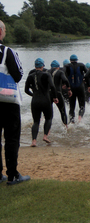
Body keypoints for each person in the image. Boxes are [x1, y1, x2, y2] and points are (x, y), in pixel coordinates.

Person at [0, 20, 29, 185]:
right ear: (0, 32)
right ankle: (12, 175)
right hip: (7, 100)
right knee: (11, 137)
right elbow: (18, 75)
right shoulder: (7, 52)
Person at [24, 58, 59, 146]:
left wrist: (34, 95)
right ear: (43, 66)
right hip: (46, 100)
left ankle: (34, 141)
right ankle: (45, 136)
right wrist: (55, 97)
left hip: (35, 101)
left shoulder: (30, 76)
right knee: (48, 118)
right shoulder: (46, 75)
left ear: (35, 66)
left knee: (36, 121)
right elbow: (52, 86)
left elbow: (26, 90)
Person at [64, 54, 87, 123]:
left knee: (72, 107)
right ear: (77, 59)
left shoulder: (67, 66)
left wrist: (64, 84)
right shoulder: (81, 65)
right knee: (82, 106)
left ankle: (72, 122)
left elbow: (63, 74)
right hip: (80, 88)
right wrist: (85, 80)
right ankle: (80, 117)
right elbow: (88, 73)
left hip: (71, 89)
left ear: (70, 60)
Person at [49, 60, 72, 127]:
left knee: (48, 113)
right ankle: (65, 126)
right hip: (57, 93)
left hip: (48, 94)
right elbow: (65, 80)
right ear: (58, 67)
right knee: (62, 111)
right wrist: (69, 89)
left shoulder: (47, 72)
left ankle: (48, 129)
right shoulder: (60, 72)